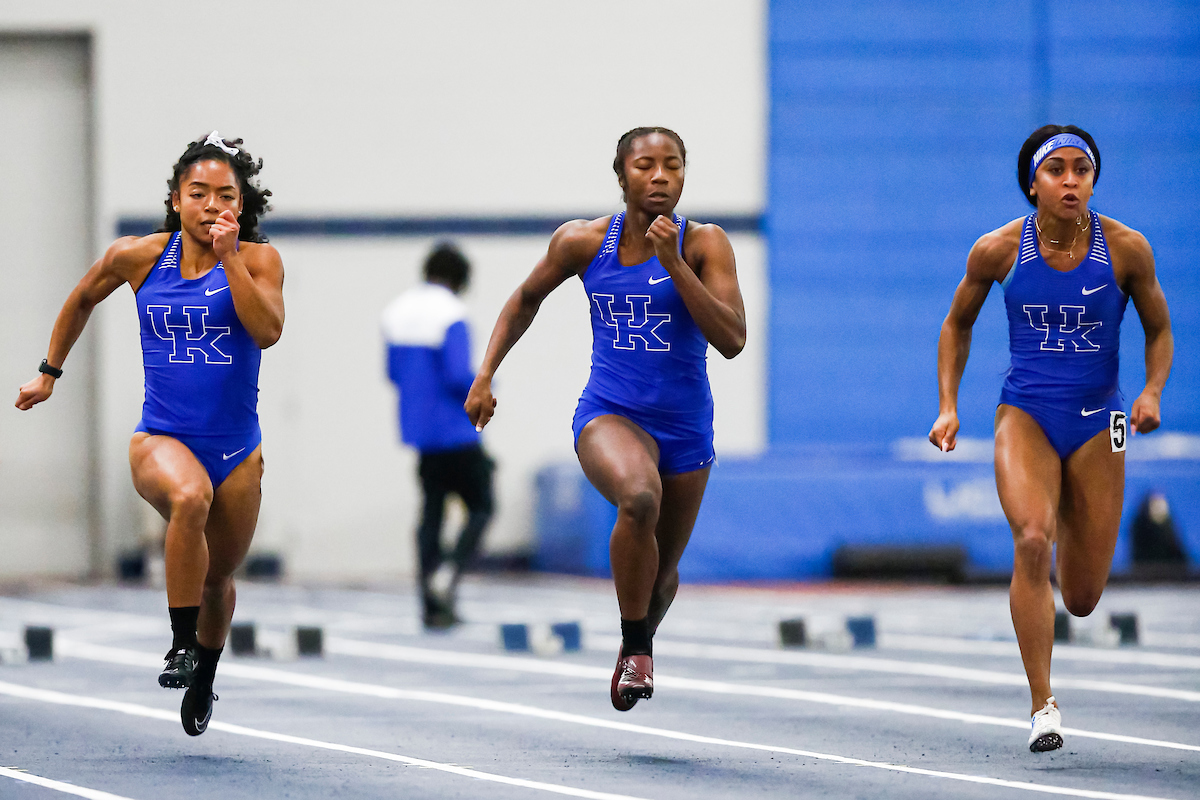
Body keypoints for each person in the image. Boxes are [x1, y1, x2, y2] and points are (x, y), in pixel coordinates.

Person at [465, 127, 746, 711]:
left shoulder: (705, 245)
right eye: (646, 165)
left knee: (663, 577)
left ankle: (632, 642)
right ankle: (638, 647)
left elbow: (732, 339)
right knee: (639, 498)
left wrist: (675, 265)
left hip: (687, 429)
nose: (661, 176)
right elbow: (524, 299)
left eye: (673, 165)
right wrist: (487, 372)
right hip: (609, 413)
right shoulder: (583, 242)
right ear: (622, 177)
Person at [16, 132, 285, 737]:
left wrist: (231, 258)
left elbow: (267, 331)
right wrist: (48, 372)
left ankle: (206, 676)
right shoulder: (137, 257)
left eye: (225, 196)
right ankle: (180, 644)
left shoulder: (260, 260)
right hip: (162, 437)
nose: (212, 205)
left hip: (239, 449)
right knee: (189, 498)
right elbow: (82, 297)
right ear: (175, 200)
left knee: (219, 577)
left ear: (240, 206)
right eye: (199, 194)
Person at [929, 125, 1172, 752]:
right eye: (1057, 171)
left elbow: (1159, 330)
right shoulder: (999, 249)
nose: (1071, 182)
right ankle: (1043, 703)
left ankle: (1070, 508)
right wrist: (949, 406)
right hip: (1027, 414)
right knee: (1032, 540)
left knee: (1085, 597)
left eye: (1081, 171)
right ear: (1032, 182)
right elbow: (956, 325)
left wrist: (1151, 392)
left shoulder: (1127, 250)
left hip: (1103, 421)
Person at [382, 243, 494, 629]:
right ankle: (449, 571)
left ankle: (430, 606)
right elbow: (458, 375)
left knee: (431, 514)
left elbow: (393, 374)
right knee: (482, 505)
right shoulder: (452, 312)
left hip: (420, 432)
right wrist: (488, 386)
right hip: (455, 430)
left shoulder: (396, 311)